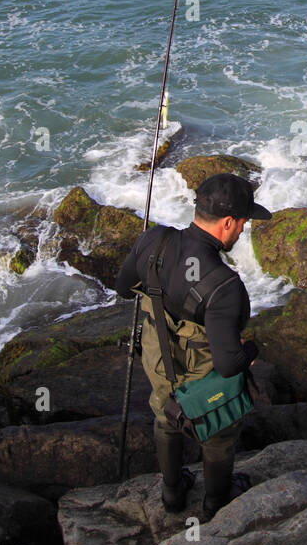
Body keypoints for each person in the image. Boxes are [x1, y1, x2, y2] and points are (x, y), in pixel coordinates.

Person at [115, 173, 271, 521]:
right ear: (228, 222)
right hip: (202, 377)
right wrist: (251, 350)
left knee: (164, 413)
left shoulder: (153, 240)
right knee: (217, 433)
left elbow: (124, 287)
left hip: (159, 359)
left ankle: (172, 493)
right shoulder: (224, 285)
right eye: (244, 222)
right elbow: (229, 365)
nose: (244, 229)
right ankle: (216, 501)